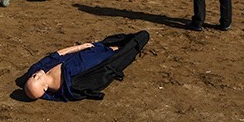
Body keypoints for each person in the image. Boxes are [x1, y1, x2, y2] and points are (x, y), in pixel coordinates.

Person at [19, 31, 150, 101]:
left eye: (33, 77)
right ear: (46, 88)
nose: (36, 74)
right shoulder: (70, 83)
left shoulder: (37, 69)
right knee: (116, 49)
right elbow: (98, 66)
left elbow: (58, 54)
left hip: (85, 52)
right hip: (95, 57)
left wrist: (80, 47)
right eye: (37, 79)